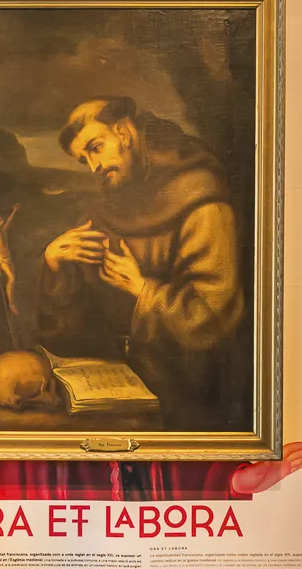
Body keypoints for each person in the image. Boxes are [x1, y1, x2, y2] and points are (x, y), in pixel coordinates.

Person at [36, 97, 245, 423]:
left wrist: (142, 290)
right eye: (84, 160)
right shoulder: (106, 212)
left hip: (189, 400)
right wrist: (56, 267)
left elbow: (212, 322)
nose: (94, 167)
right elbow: (69, 336)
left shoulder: (203, 205)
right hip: (116, 396)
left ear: (123, 131)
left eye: (95, 148)